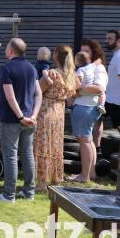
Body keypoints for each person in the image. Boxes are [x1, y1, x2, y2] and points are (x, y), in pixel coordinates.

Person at [0, 38, 42, 203]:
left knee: (10, 156)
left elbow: (10, 96)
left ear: (11, 50)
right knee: (27, 154)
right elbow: (38, 94)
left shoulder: (7, 68)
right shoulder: (32, 68)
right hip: (29, 119)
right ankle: (29, 192)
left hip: (13, 119)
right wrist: (33, 115)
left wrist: (21, 117)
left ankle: (8, 195)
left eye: (6, 47)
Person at [36, 46, 75, 192]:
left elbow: (38, 89)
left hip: (46, 111)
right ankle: (55, 180)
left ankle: (41, 184)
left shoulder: (52, 73)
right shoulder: (71, 75)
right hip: (60, 112)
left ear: (57, 55)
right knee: (56, 146)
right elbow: (71, 97)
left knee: (43, 146)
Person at [71, 50, 105, 183]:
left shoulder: (80, 71)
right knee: (89, 141)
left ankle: (84, 175)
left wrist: (75, 91)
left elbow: (76, 85)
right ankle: (91, 173)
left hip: (84, 107)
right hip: (93, 106)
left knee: (84, 141)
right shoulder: (93, 68)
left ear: (78, 62)